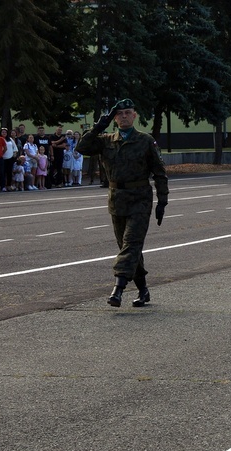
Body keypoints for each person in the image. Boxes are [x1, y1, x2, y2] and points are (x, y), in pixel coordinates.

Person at [76, 98, 168, 308]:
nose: (124, 116)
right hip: (117, 199)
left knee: (131, 244)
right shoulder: (106, 140)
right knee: (127, 247)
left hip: (140, 199)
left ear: (134, 115)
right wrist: (100, 124)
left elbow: (159, 172)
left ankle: (118, 289)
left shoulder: (145, 140)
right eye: (120, 114)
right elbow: (82, 147)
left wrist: (163, 201)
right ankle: (143, 290)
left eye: (128, 112)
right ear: (114, 118)